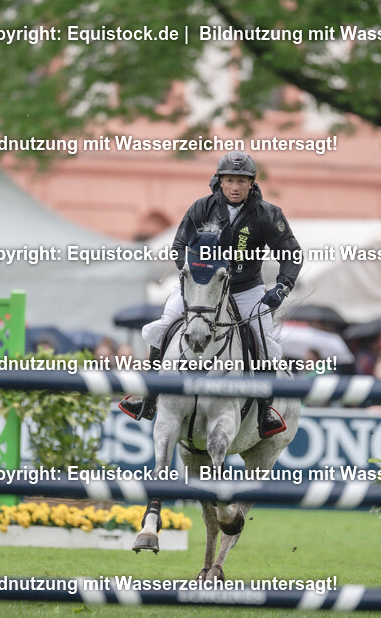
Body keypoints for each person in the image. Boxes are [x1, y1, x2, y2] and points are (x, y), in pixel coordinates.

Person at [119, 151, 302, 438]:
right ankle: (150, 397)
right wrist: (194, 276)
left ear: (251, 183)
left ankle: (265, 412)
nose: (235, 187)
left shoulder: (267, 214)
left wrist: (282, 286)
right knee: (165, 326)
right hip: (203, 289)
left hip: (245, 288)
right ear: (220, 181)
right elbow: (179, 246)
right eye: (230, 180)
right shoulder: (201, 208)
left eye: (242, 181)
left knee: (264, 341)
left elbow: (291, 253)